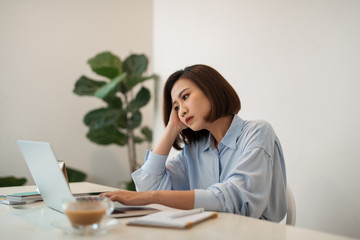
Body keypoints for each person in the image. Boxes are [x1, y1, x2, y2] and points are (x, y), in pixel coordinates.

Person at [102, 64, 287, 222]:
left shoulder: (258, 132)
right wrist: (172, 128)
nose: (181, 111)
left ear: (211, 90)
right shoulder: (195, 149)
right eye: (176, 107)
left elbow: (238, 202)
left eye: (185, 97)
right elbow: (148, 186)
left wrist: (152, 196)